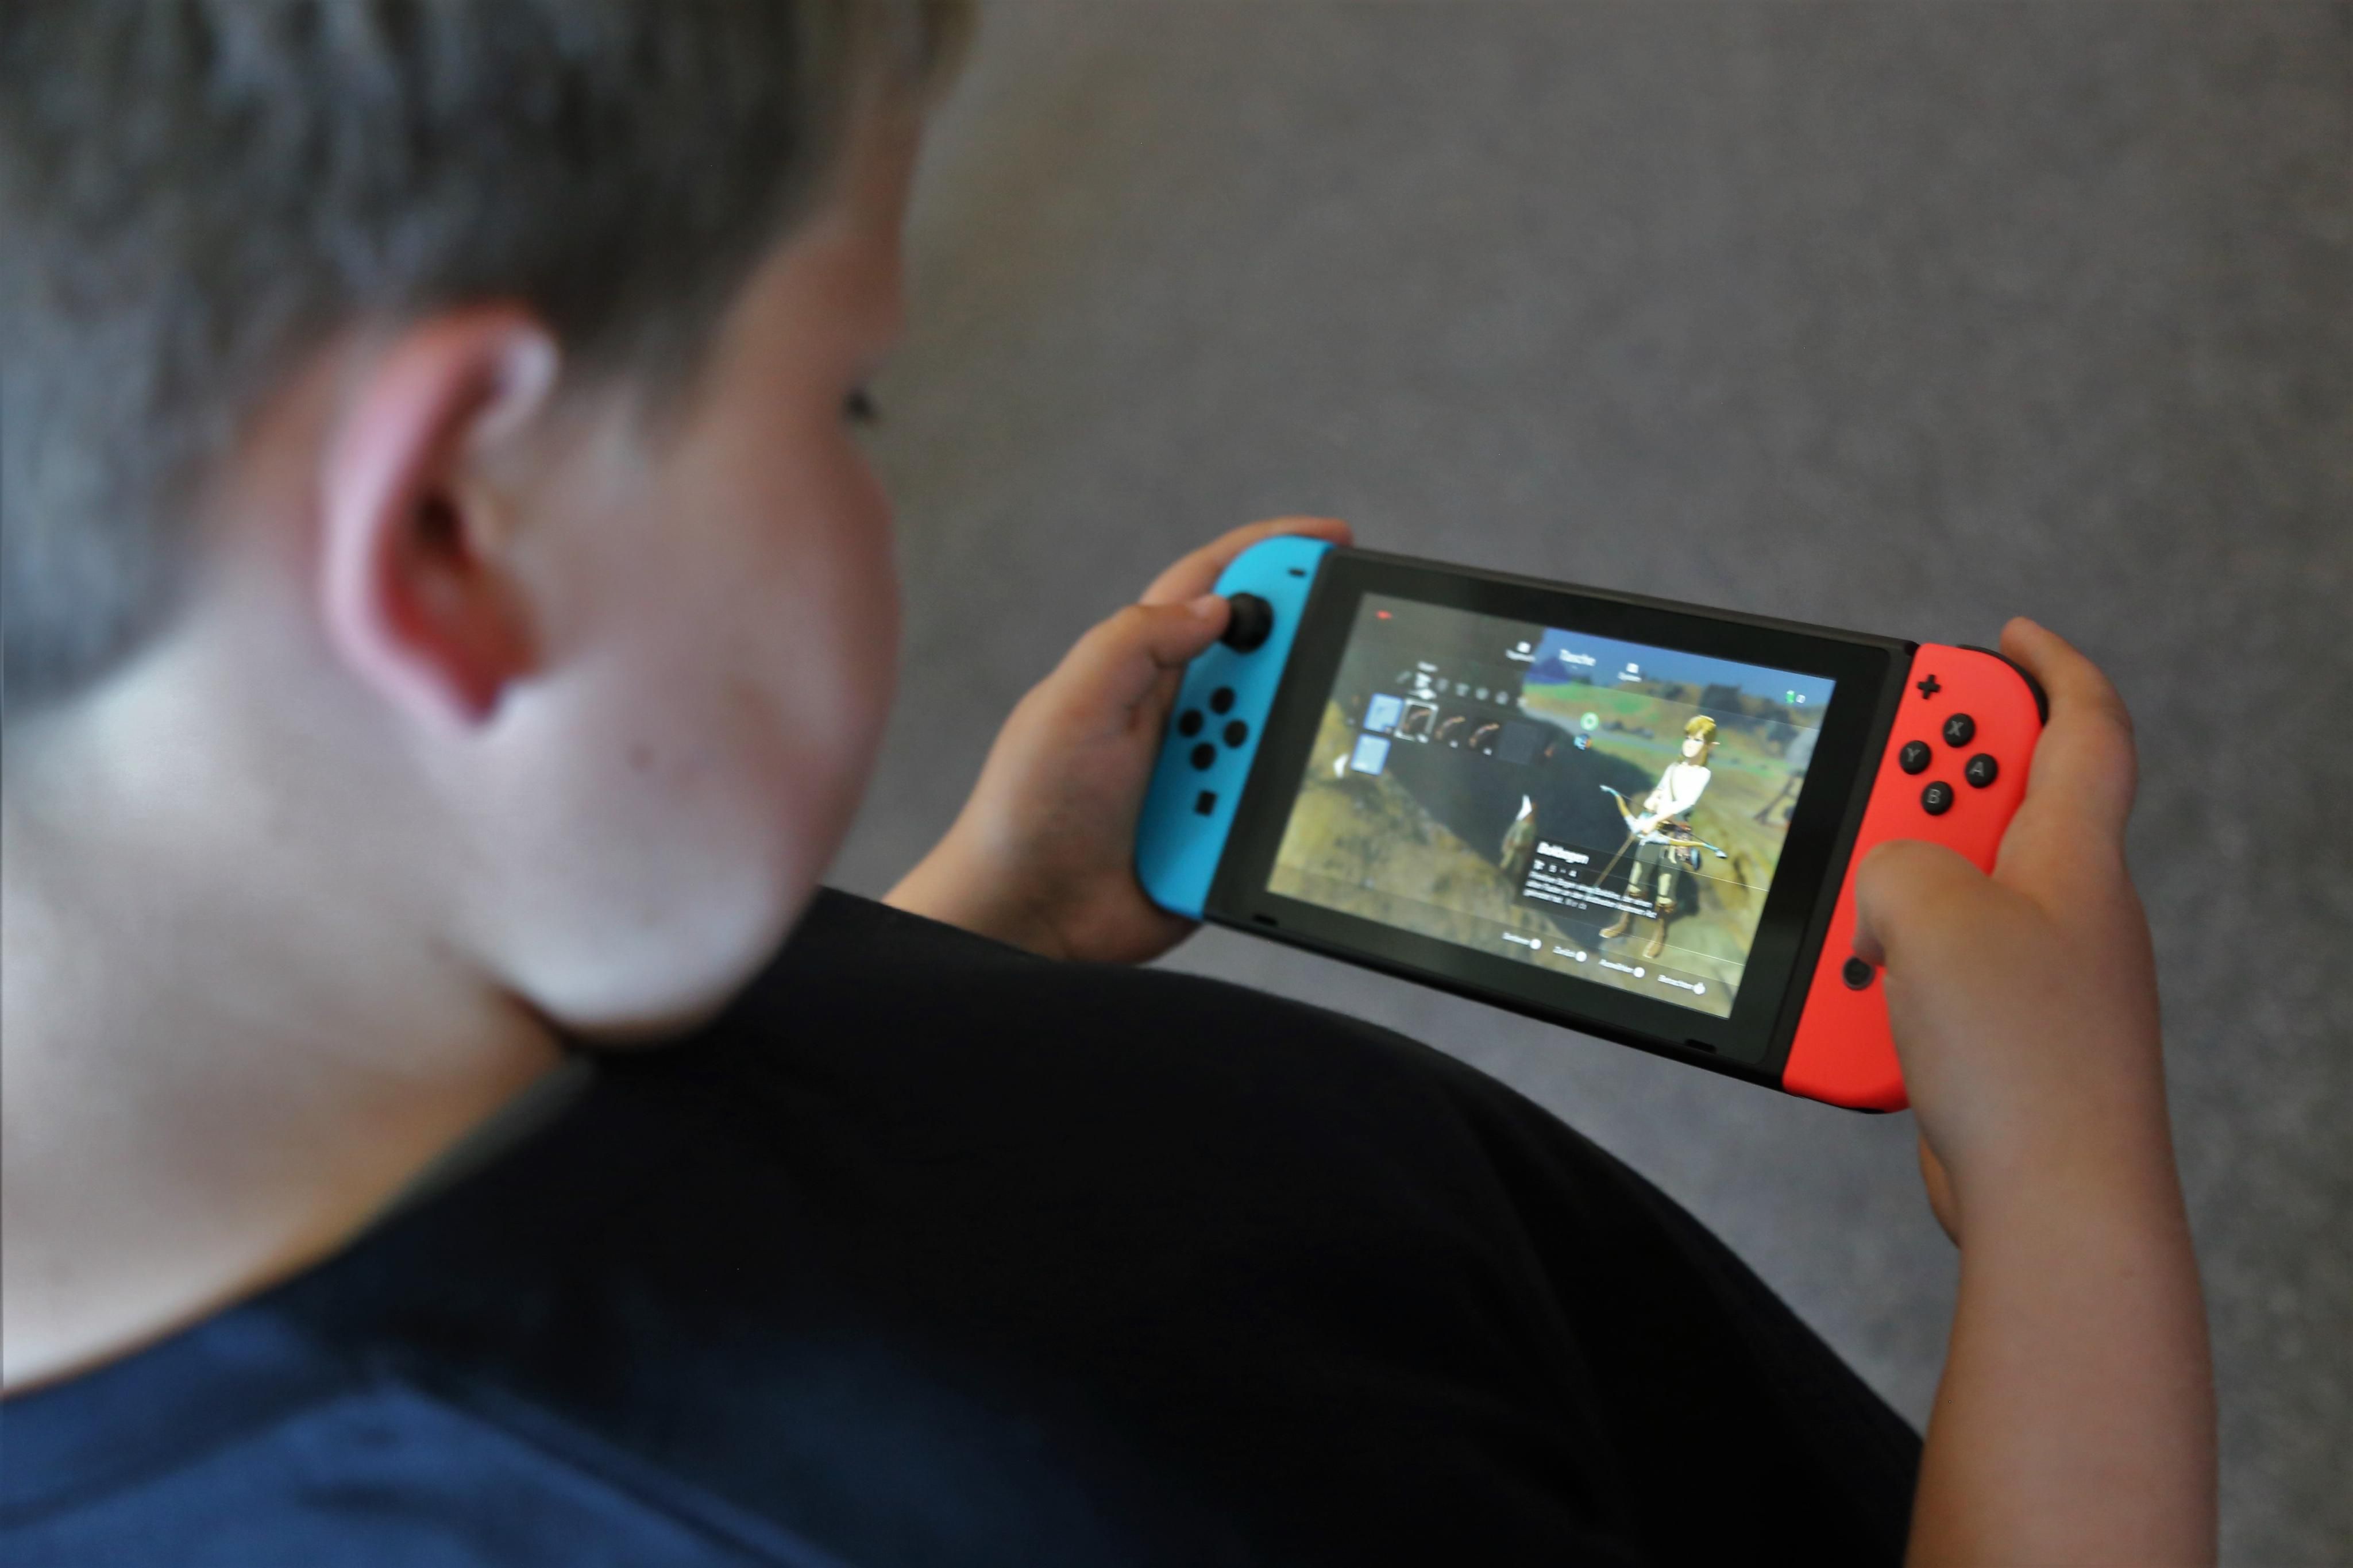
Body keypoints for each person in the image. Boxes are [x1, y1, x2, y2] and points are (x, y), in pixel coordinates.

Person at [1, 3, 2215, 1564]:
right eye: (848, 396)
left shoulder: (326, 976)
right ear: (451, 535)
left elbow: (722, 1152)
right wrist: (2067, 1196)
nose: (870, 458)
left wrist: (989, 928)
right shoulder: (989, 1513)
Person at [1598, 714, 1719, 960]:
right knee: (1637, 879)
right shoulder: (1674, 768)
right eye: (1688, 738)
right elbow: (1661, 789)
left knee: (1666, 888)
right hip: (1654, 832)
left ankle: (1661, 934)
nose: (1690, 744)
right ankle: (1626, 923)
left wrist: (1656, 818)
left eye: (1697, 740)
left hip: (1674, 835)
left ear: (1709, 746)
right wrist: (1653, 800)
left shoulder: (1702, 774)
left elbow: (1686, 802)